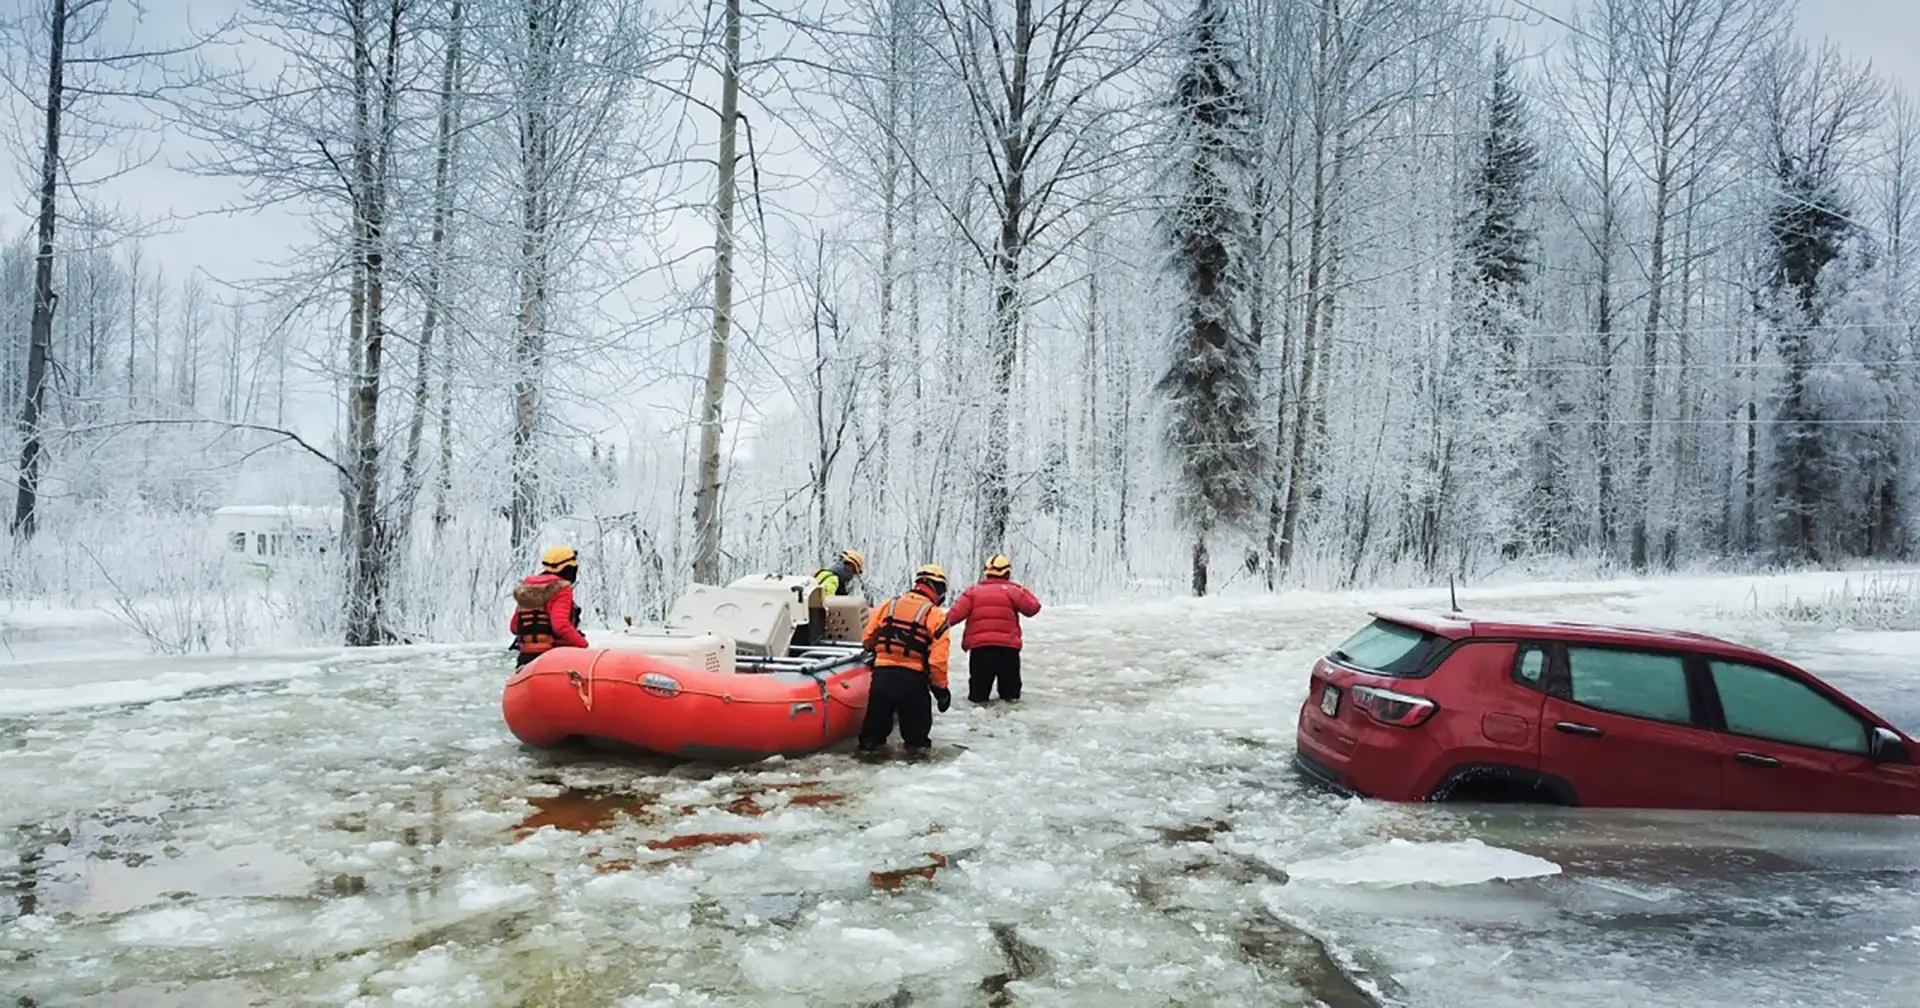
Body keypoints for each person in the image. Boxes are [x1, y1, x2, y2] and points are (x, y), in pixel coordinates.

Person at [857, 563, 951, 758]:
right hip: (913, 680)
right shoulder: (935, 615)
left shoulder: (888, 605)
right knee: (917, 742)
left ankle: (868, 758)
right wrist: (941, 690)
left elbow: (867, 638)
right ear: (934, 587)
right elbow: (937, 661)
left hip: (882, 676)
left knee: (871, 737)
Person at [945, 554, 1042, 704]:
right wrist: (1020, 588)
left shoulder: (972, 592)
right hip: (1008, 650)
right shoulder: (1013, 591)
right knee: (1011, 699)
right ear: (1007, 573)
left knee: (977, 698)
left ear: (986, 572)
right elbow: (1033, 608)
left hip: (980, 650)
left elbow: (951, 618)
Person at [510, 544, 590, 667]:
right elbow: (560, 625)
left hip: (526, 658)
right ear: (569, 568)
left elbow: (514, 627)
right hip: (554, 657)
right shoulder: (561, 588)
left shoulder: (527, 588)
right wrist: (584, 645)